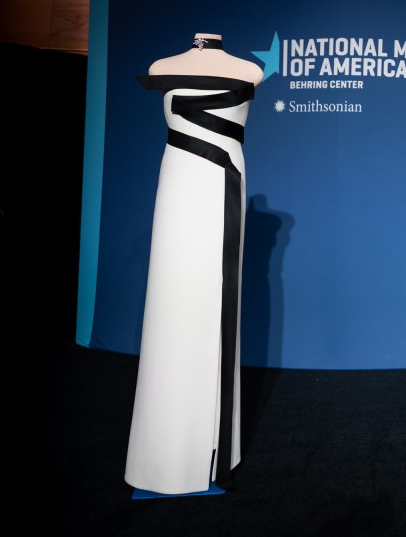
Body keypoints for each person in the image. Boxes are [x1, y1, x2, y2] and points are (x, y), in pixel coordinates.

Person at [125, 33, 262, 495]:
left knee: (214, 307)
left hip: (222, 184)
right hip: (179, 184)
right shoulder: (163, 64)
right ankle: (164, 453)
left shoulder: (250, 70)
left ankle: (211, 450)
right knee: (172, 302)